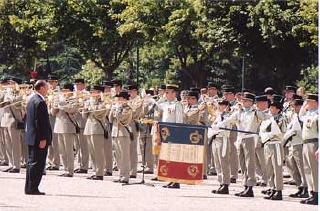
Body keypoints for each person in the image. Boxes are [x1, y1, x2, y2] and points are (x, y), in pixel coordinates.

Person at [25, 80, 52, 195]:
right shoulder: (39, 101)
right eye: (46, 87)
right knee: (37, 163)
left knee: (31, 163)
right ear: (41, 88)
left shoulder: (32, 99)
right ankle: (33, 188)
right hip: (38, 138)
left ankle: (29, 187)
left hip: (32, 137)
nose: (48, 89)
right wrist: (43, 138)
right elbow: (40, 122)